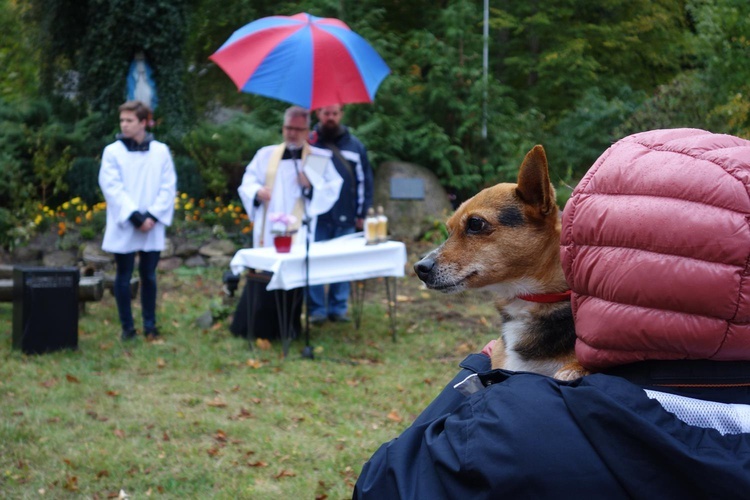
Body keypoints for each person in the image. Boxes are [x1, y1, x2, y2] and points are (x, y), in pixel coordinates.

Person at [353, 128, 750, 498]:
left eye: (475, 227)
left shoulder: (527, 424)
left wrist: (474, 375)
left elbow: (384, 483)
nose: (433, 258)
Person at [230, 106, 343, 340]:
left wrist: (311, 185)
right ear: (283, 128)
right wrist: (257, 191)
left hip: (298, 230)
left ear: (306, 131)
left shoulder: (316, 159)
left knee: (292, 274)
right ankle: (257, 327)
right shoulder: (265, 154)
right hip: (267, 227)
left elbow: (333, 188)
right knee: (264, 273)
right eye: (288, 128)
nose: (292, 133)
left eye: (298, 129)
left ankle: (288, 329)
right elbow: (247, 182)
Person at [98, 100, 176, 341]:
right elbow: (111, 186)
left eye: (129, 120)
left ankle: (150, 326)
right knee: (123, 274)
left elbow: (168, 185)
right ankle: (127, 328)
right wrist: (135, 217)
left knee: (149, 275)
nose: (124, 125)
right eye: (122, 120)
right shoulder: (113, 151)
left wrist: (152, 216)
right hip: (126, 223)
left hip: (151, 224)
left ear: (143, 122)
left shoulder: (160, 151)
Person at [307, 104, 374, 324]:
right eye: (326, 113)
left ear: (341, 115)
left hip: (346, 215)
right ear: (318, 114)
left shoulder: (355, 146)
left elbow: (364, 182)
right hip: (318, 217)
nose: (330, 118)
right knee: (314, 262)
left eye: (334, 113)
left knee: (342, 263)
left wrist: (362, 213)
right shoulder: (311, 144)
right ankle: (316, 310)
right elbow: (308, 182)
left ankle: (338, 308)